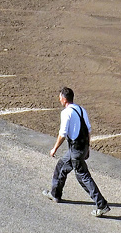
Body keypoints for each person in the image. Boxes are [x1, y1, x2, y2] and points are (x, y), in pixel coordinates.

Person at [43, 87, 111, 217]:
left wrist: (54, 148)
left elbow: (62, 134)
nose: (59, 100)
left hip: (75, 149)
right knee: (61, 166)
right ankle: (55, 194)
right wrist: (87, 148)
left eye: (60, 98)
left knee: (83, 177)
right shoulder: (81, 110)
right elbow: (88, 130)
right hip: (81, 147)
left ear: (64, 99)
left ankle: (101, 205)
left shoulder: (66, 113)